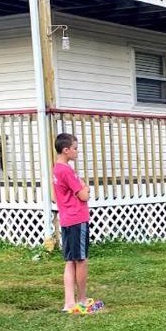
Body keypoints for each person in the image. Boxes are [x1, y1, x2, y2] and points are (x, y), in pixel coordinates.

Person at [53, 133, 102, 315]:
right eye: (74, 148)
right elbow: (83, 194)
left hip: (66, 218)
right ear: (66, 150)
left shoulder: (57, 169)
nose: (77, 151)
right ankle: (80, 299)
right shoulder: (66, 170)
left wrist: (82, 187)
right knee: (81, 260)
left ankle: (68, 301)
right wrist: (86, 189)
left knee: (70, 261)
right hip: (77, 218)